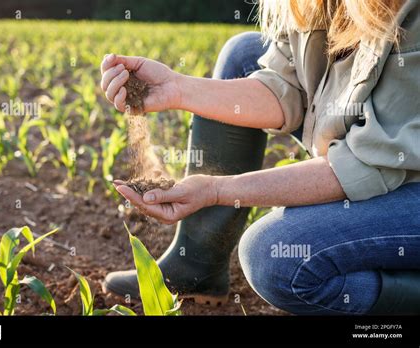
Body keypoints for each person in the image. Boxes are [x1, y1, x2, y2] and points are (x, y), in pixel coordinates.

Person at [100, 0, 420, 315]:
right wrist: (178, 88)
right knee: (244, 55)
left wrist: (217, 191)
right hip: (379, 152)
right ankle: (196, 264)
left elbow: (366, 165)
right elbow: (285, 89)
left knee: (273, 257)